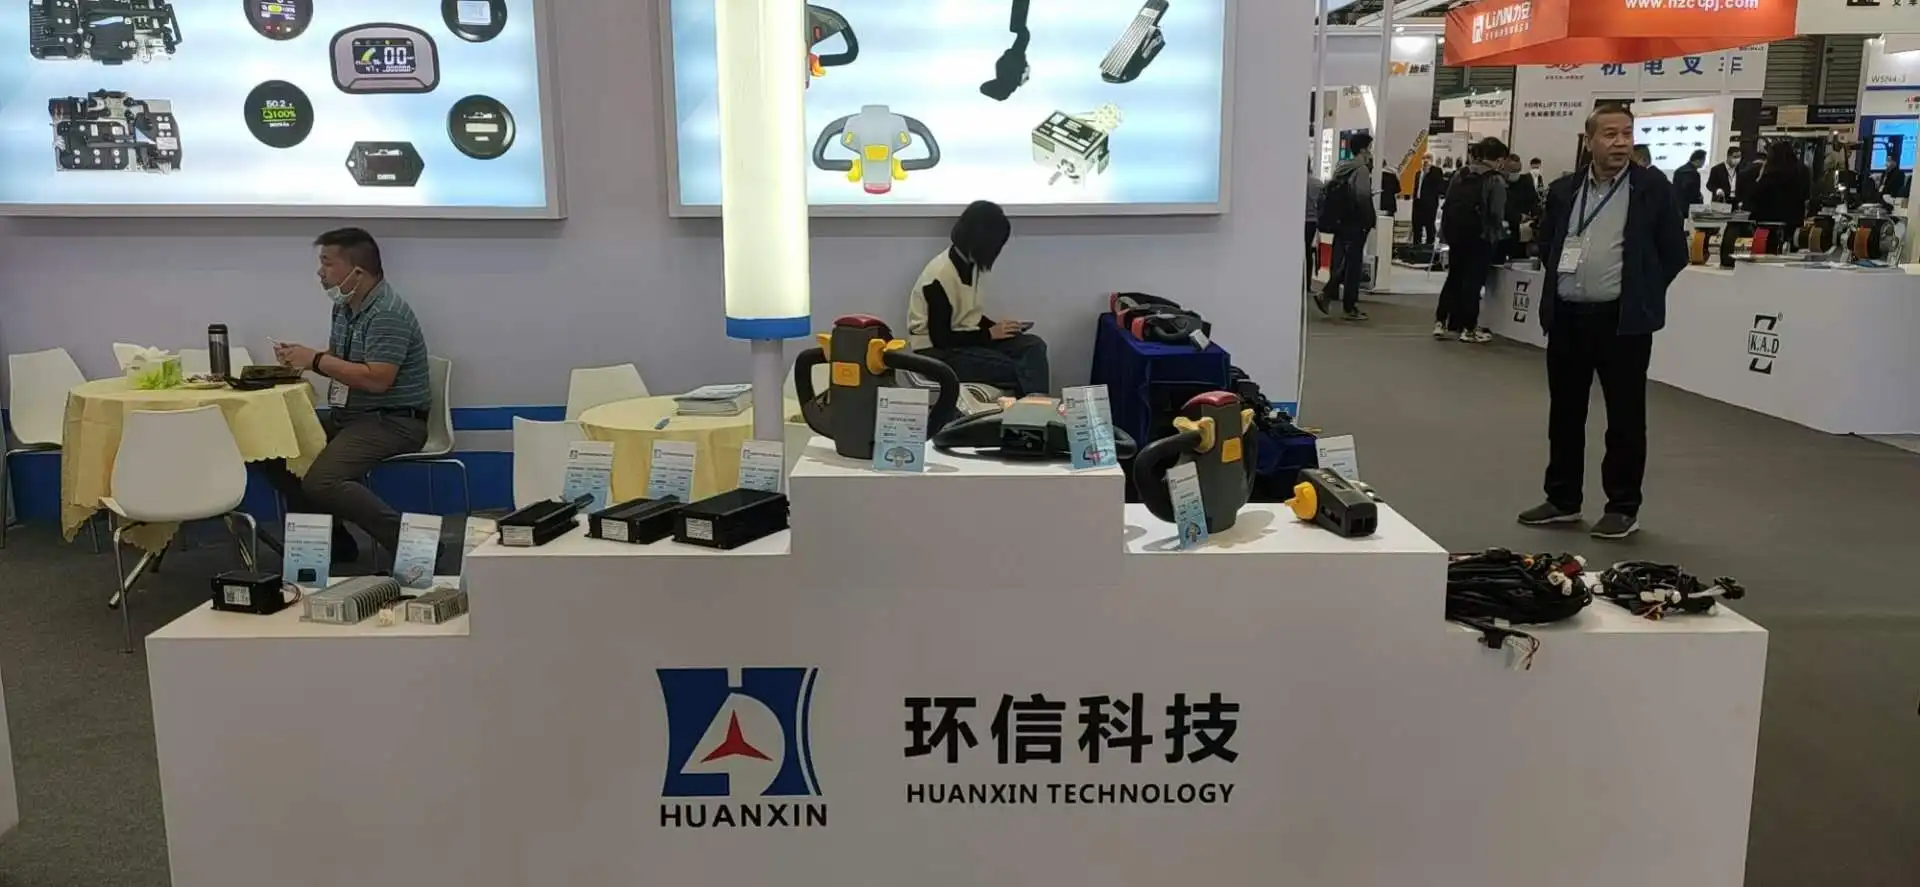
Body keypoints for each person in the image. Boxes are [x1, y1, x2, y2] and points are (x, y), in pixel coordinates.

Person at [1519, 104, 1687, 540]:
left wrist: (1643, 290)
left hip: (1621, 322)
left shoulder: (1652, 188)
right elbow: (1549, 242)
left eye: (1627, 134)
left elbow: (1674, 251)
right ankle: (1562, 499)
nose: (1621, 142)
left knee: (1625, 417)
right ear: (1590, 140)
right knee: (1565, 414)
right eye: (1610, 134)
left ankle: (1623, 507)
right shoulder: (1565, 190)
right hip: (1568, 317)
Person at [262, 228, 431, 562]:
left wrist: (315, 360)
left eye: (327, 263)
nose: (320, 272)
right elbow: (343, 363)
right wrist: (303, 358)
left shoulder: (386, 313)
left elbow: (378, 379)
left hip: (393, 421)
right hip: (353, 416)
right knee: (276, 450)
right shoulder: (345, 307)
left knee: (322, 481)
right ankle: (334, 541)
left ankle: (417, 549)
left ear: (357, 272)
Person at [908, 200, 1050, 397]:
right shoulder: (938, 277)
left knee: (1033, 346)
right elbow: (941, 338)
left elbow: (966, 316)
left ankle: (1034, 408)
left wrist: (998, 328)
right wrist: (989, 334)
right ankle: (1034, 410)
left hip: (964, 340)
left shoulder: (970, 264)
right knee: (1020, 369)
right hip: (936, 352)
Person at [1433, 139, 1506, 344]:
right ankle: (1469, 328)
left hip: (1456, 235)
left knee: (1454, 277)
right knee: (1473, 283)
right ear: (1499, 158)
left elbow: (1448, 204)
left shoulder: (1461, 174)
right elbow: (1497, 213)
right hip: (1481, 237)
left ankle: (1440, 322)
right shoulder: (1495, 180)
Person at [1314, 132, 1375, 321]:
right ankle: (1349, 306)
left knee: (1344, 262)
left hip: (1340, 221)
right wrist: (1369, 219)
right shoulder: (1361, 169)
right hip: (1355, 222)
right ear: (1363, 149)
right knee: (1353, 265)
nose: (1370, 152)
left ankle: (1327, 294)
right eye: (1369, 148)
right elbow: (1362, 196)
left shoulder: (1342, 167)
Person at [1746, 140, 1811, 233]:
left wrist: (1760, 177)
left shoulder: (1769, 175)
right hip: (1793, 223)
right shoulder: (1802, 172)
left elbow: (1752, 198)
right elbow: (1806, 197)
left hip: (1766, 225)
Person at [1501, 153, 1538, 260]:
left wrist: (1534, 215)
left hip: (1523, 227)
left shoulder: (1525, 181)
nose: (1515, 174)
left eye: (1517, 171)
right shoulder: (1499, 182)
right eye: (1512, 171)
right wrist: (1518, 217)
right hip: (1506, 226)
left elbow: (1533, 200)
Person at [1410, 157, 1445, 247]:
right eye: (1424, 159)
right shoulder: (1418, 173)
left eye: (1428, 159)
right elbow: (1416, 188)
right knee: (1416, 225)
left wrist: (1429, 171)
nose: (1425, 161)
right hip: (1418, 203)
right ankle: (1416, 245)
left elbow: (1439, 186)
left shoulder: (1435, 172)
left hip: (1429, 204)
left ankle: (1429, 246)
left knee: (1429, 225)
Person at [1672, 149, 1706, 214]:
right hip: (1690, 209)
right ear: (1698, 160)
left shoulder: (1678, 171)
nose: (1704, 163)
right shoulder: (1694, 174)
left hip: (1677, 207)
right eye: (1703, 160)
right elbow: (1695, 194)